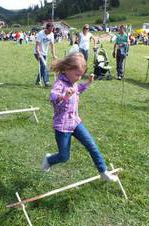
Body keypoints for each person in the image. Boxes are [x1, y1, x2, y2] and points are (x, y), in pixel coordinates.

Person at [41, 52, 118, 182]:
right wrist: (64, 96)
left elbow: (78, 89)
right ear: (66, 70)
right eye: (77, 74)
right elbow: (53, 97)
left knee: (92, 145)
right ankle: (49, 160)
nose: (78, 78)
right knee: (64, 156)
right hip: (63, 127)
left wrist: (87, 83)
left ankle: (103, 171)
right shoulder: (60, 84)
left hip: (76, 122)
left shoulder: (73, 82)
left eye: (81, 75)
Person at [34, 22, 57, 87]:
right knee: (44, 66)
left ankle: (38, 81)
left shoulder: (51, 34)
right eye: (49, 30)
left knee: (42, 67)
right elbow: (37, 45)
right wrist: (38, 53)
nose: (50, 31)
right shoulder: (40, 34)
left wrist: (54, 55)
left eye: (52, 30)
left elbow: (52, 45)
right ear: (46, 28)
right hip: (38, 53)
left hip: (45, 53)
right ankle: (46, 82)